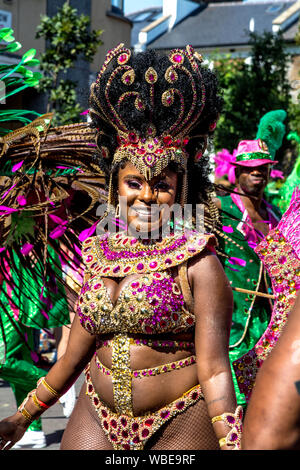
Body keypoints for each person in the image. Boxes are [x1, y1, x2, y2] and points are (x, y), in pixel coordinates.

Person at [0, 44, 242, 451]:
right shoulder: (98, 254)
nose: (146, 197)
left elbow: (216, 370)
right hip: (96, 414)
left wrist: (232, 443)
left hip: (179, 419)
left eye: (161, 185)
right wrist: (22, 417)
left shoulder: (200, 262)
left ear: (180, 191)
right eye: (134, 183)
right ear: (116, 185)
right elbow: (72, 357)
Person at [214, 112, 285, 408]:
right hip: (231, 324)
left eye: (263, 168)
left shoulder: (275, 216)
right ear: (238, 171)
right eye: (250, 168)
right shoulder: (220, 208)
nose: (257, 173)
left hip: (266, 324)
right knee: (233, 403)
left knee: (264, 401)